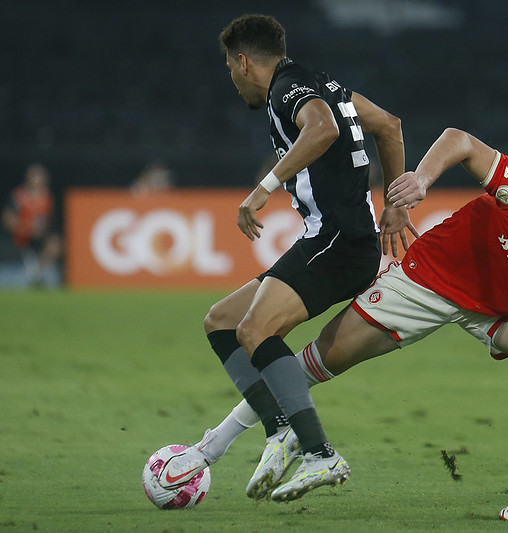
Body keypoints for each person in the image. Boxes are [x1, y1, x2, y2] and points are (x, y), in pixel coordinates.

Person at [209, 127, 508, 516]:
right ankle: (214, 446)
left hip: (497, 312)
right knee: (317, 363)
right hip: (426, 281)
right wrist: (422, 180)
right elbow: (459, 140)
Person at [158, 13, 416, 501]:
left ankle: (320, 454)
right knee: (222, 321)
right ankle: (280, 432)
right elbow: (390, 125)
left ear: (242, 61)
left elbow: (321, 129)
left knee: (256, 330)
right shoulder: (327, 84)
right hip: (334, 240)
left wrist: (262, 189)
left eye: (231, 71)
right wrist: (395, 205)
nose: (234, 83)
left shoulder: (287, 90)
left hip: (339, 242)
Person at [1, 163, 62, 286]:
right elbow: (7, 219)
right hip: (19, 235)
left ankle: (34, 273)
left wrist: (40, 230)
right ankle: (30, 275)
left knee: (55, 244)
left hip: (37, 237)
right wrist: (26, 227)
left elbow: (48, 221)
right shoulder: (19, 196)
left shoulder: (47, 198)